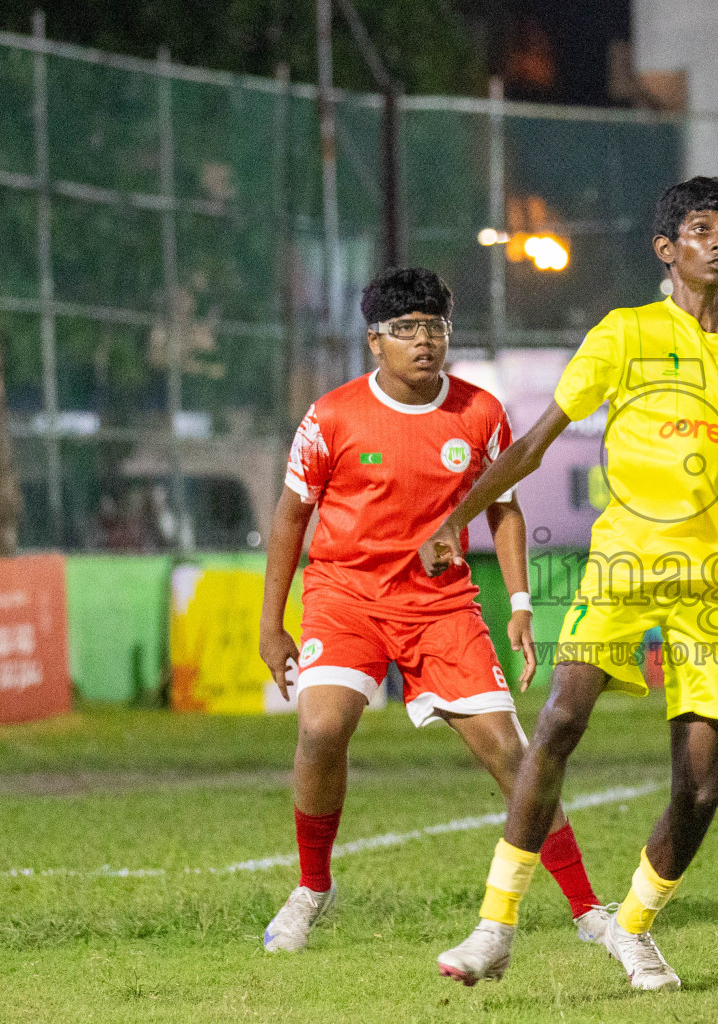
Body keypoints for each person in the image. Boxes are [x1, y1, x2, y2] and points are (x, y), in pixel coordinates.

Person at [430, 176, 718, 990]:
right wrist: (455, 518)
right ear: (667, 248)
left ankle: (633, 928)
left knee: (702, 787)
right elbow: (536, 443)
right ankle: (494, 927)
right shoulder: (624, 334)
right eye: (703, 229)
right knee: (561, 718)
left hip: (715, 584)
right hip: (623, 567)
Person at [256, 267, 608, 952]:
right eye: (406, 330)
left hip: (440, 605)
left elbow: (505, 507)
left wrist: (520, 603)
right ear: (374, 342)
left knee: (511, 752)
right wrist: (271, 624)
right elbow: (290, 516)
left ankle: (587, 906)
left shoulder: (479, 413)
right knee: (322, 728)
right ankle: (311, 888)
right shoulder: (331, 415)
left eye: (435, 328)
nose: (424, 342)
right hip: (344, 596)